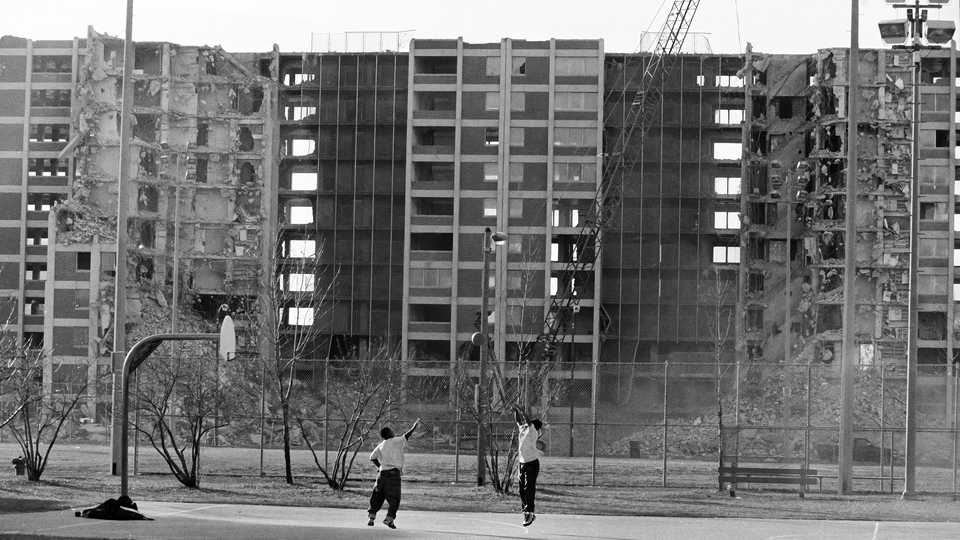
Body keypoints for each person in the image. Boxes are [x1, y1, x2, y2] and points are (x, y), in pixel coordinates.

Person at [367, 418, 420, 529]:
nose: (393, 432)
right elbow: (406, 435)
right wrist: (414, 426)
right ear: (389, 434)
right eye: (391, 431)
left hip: (381, 474)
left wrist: (380, 466)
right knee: (394, 498)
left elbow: (372, 457)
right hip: (393, 475)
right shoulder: (396, 441)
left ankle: (371, 517)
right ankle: (389, 519)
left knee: (377, 495)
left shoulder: (381, 445)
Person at [513, 405, 543, 526]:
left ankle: (530, 511)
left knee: (528, 488)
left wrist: (520, 409)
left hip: (532, 463)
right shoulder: (524, 429)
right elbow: (518, 421)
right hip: (522, 462)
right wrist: (515, 411)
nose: (525, 423)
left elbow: (527, 420)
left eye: (528, 423)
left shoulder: (532, 431)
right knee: (521, 489)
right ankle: (526, 512)